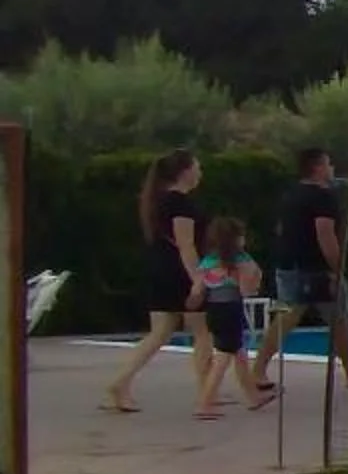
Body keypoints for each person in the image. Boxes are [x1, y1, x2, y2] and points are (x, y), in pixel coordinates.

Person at [250, 147, 348, 392]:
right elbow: (325, 235)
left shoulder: (291, 195)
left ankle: (257, 369)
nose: (331, 168)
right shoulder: (323, 197)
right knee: (339, 318)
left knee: (286, 318)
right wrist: (337, 268)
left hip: (289, 264)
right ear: (318, 167)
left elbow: (282, 230)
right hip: (315, 269)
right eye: (328, 163)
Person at [103, 149, 213, 414]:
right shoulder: (181, 204)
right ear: (185, 171)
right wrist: (198, 279)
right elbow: (186, 245)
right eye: (197, 167)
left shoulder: (158, 201)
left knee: (160, 333)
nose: (200, 172)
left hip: (159, 268)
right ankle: (206, 392)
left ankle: (121, 382)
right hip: (179, 271)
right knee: (203, 331)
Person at [190, 217, 278, 419]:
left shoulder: (208, 261)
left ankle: (253, 396)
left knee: (238, 353)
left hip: (213, 309)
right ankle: (205, 403)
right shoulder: (240, 260)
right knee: (223, 357)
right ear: (235, 239)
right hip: (231, 308)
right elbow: (247, 288)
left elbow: (197, 290)